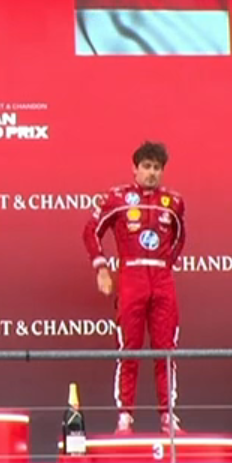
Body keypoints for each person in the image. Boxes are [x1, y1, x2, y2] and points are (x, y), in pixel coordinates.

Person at [81, 141, 187, 434]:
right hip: (132, 276)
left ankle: (168, 415)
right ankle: (125, 416)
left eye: (157, 168)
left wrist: (166, 263)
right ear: (135, 169)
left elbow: (180, 237)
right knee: (129, 348)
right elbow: (91, 231)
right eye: (147, 167)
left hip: (162, 278)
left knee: (166, 349)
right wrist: (101, 267)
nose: (152, 173)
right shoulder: (118, 197)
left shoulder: (173, 201)